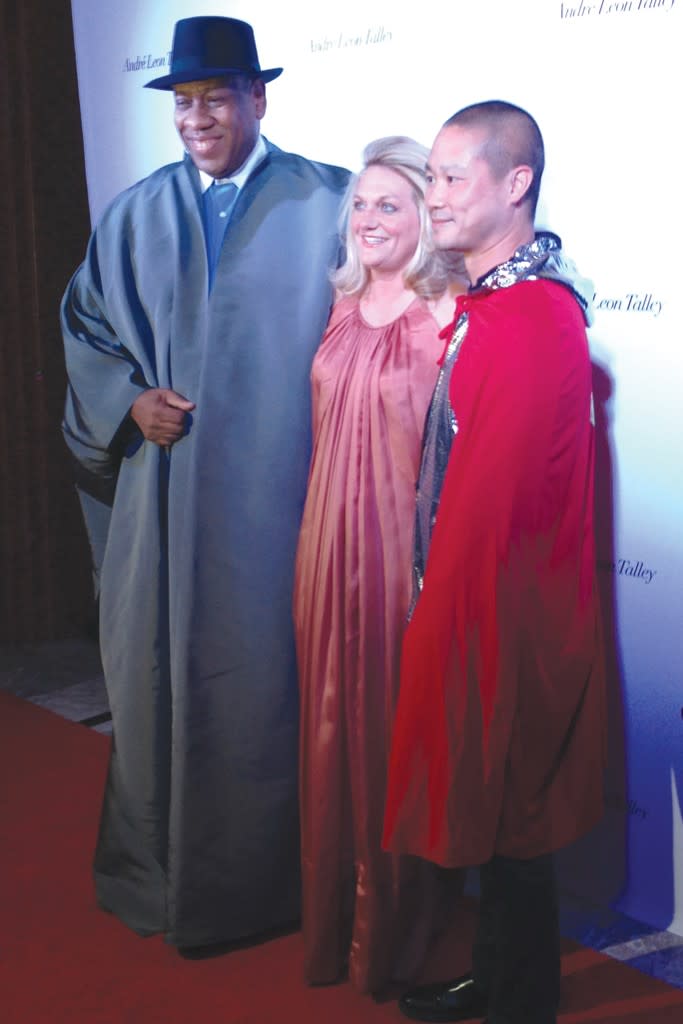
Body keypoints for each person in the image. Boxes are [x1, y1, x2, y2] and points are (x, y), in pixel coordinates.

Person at [60, 15, 349, 954]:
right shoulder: (135, 213)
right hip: (166, 501)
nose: (197, 118)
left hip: (284, 505)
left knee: (272, 687)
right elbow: (87, 326)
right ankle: (160, 875)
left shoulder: (330, 205)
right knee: (154, 679)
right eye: (183, 102)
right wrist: (130, 399)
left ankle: (276, 887)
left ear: (257, 99)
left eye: (215, 98)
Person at [381, 102, 606, 1024]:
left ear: (515, 186)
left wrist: (438, 622)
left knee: (513, 816)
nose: (431, 197)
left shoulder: (530, 317)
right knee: (499, 817)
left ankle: (521, 1003)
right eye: (428, 177)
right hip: (484, 603)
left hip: (507, 615)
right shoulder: (498, 304)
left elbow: (496, 511)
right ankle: (500, 981)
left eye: (449, 177)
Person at [294, 136, 467, 993]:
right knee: (328, 741)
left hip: (402, 567)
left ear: (426, 220)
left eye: (388, 204)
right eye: (358, 204)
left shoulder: (451, 313)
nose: (367, 219)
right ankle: (330, 925)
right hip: (324, 556)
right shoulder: (334, 305)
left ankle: (393, 934)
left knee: (391, 747)